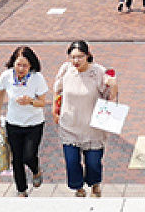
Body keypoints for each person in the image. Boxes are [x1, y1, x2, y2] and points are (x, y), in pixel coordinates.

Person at [53, 41, 118, 197]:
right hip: (70, 125)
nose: (75, 61)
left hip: (93, 128)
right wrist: (55, 111)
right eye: (72, 57)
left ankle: (95, 184)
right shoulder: (66, 70)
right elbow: (58, 91)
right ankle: (78, 187)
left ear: (88, 55)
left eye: (79, 57)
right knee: (71, 161)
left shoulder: (99, 72)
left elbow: (110, 98)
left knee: (93, 162)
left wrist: (114, 85)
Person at [0, 46, 49, 197]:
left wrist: (30, 101)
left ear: (31, 65)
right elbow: (0, 95)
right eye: (18, 64)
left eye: (25, 65)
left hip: (34, 124)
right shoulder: (6, 76)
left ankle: (36, 170)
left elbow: (43, 102)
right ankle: (21, 190)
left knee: (29, 156)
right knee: (17, 159)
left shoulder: (37, 78)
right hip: (13, 123)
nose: (21, 68)